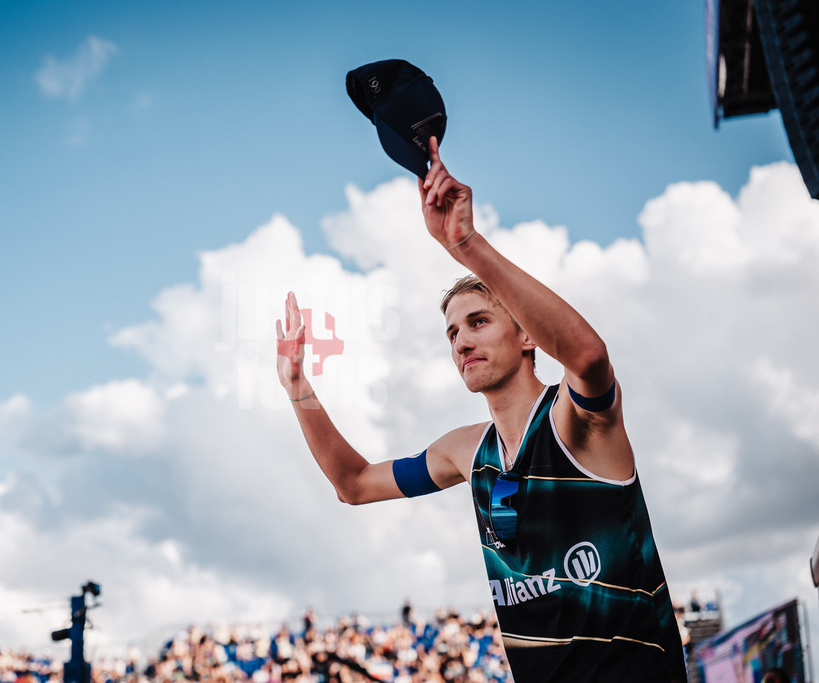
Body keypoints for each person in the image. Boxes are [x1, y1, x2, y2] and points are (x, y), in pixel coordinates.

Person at [275, 138, 688, 682]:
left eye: (478, 322)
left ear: (527, 336)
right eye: (452, 333)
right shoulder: (468, 452)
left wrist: (466, 244)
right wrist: (298, 388)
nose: (462, 342)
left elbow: (589, 356)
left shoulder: (575, 422)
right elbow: (353, 484)